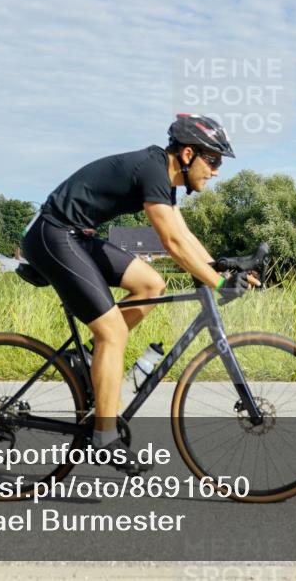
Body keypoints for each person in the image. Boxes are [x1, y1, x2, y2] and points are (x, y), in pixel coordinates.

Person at [21, 114, 260, 474]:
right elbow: (172, 242)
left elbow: (184, 234)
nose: (216, 171)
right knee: (113, 331)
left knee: (151, 284)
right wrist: (217, 283)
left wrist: (220, 267)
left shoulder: (162, 177)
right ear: (188, 154)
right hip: (52, 236)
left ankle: (87, 357)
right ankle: (104, 437)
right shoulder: (153, 170)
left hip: (77, 237)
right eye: (213, 160)